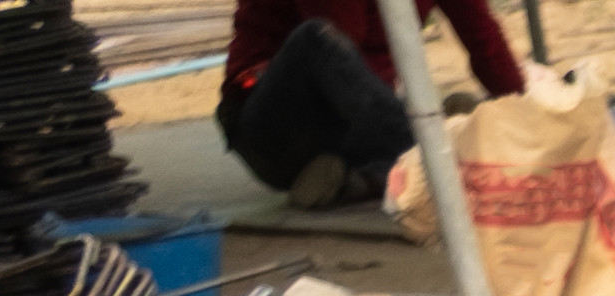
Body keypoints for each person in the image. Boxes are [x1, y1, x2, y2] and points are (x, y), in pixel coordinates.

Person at [216, 0, 526, 204]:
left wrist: (526, 116)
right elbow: (342, 45)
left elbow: (484, 40)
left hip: (355, 125)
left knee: (394, 108)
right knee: (317, 38)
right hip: (269, 128)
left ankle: (358, 182)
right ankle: (435, 158)